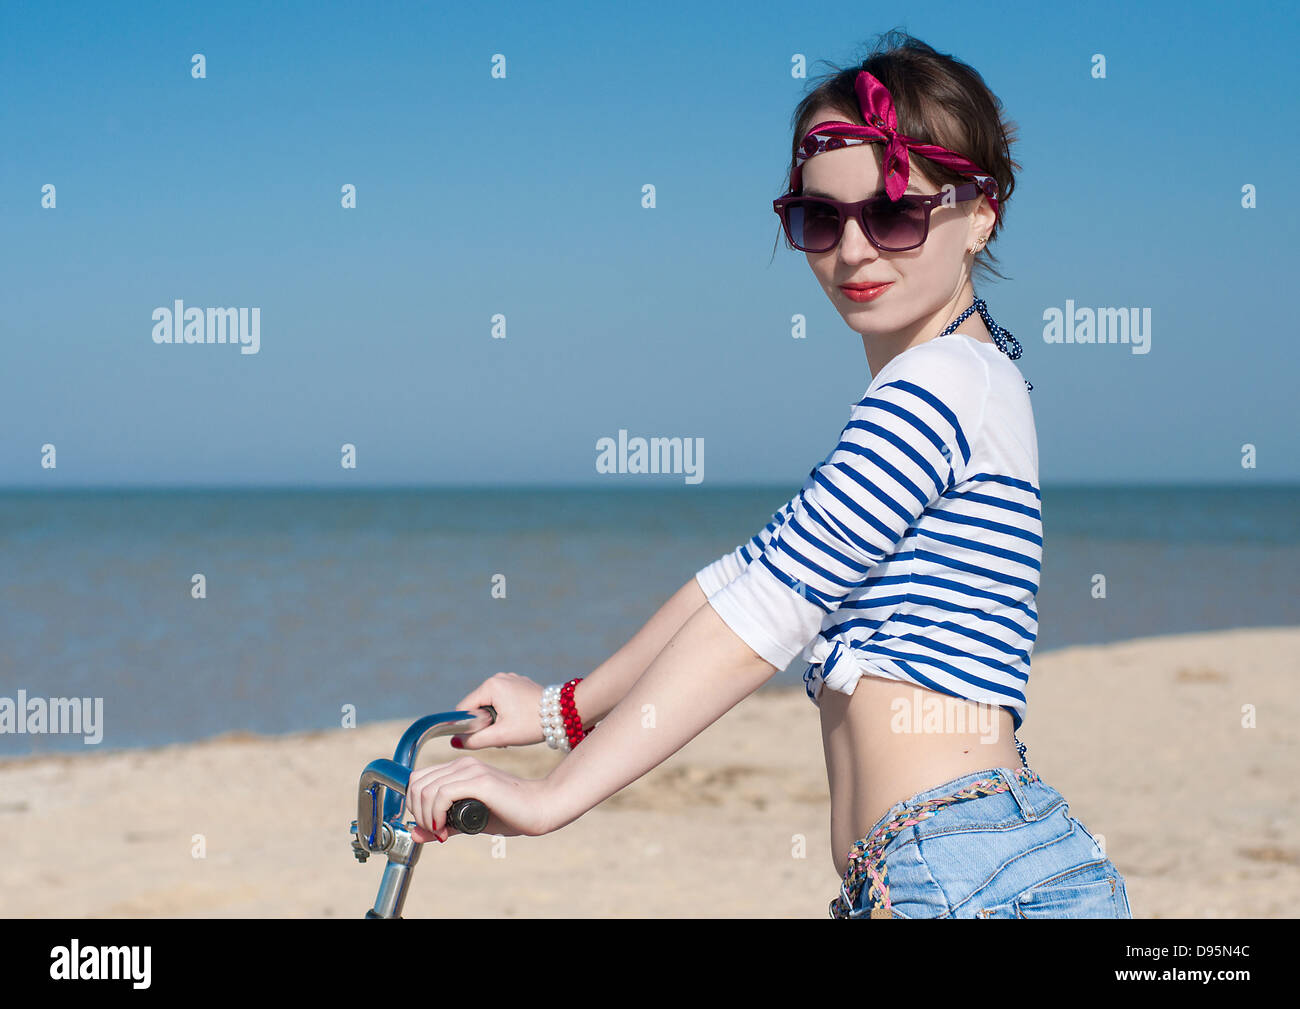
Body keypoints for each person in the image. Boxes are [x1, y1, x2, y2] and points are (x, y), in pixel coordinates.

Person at [404, 30, 1132, 919]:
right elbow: (748, 575)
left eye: (895, 212)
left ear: (982, 211)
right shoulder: (957, 383)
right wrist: (565, 709)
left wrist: (558, 795)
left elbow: (766, 614)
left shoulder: (938, 388)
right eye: (822, 219)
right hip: (952, 870)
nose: (855, 250)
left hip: (963, 879)